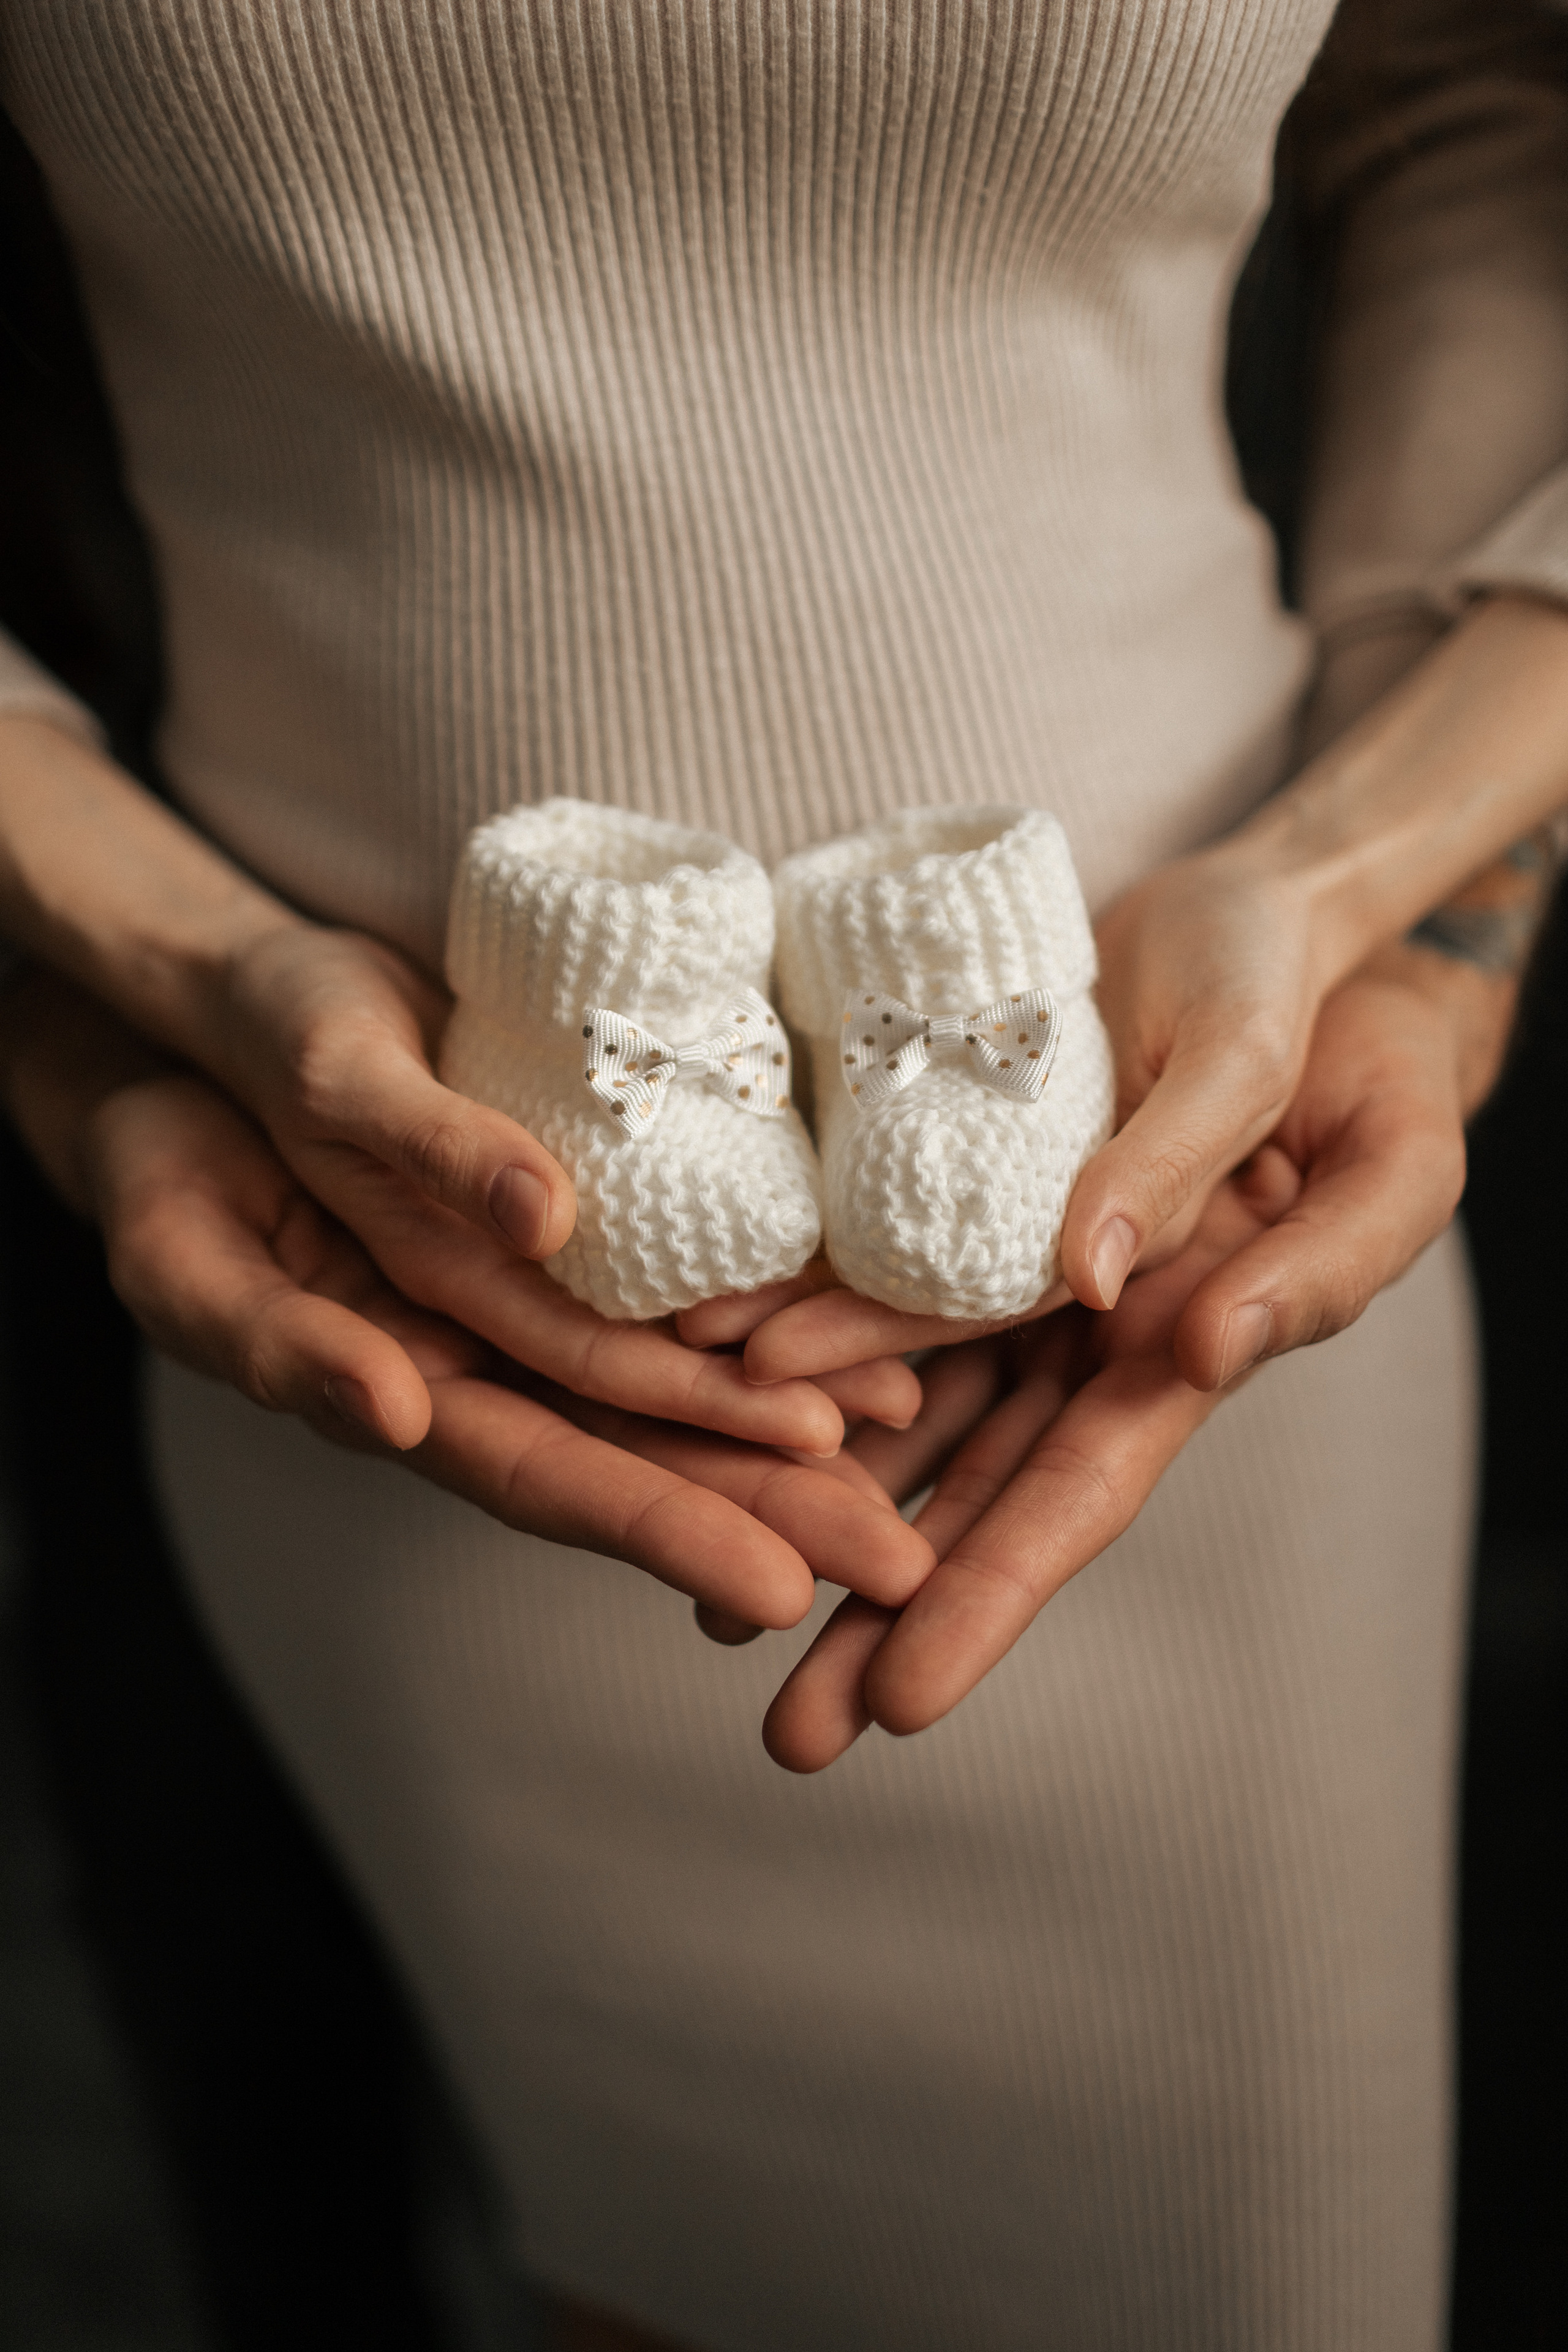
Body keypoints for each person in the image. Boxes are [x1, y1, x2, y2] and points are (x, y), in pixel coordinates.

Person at [1, 2, 1566, 2346]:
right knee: (643, 2274)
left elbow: (1488, 121)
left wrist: (1405, 915)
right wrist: (159, 974)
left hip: (1191, 1231)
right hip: (397, 1262)